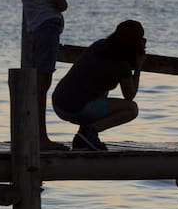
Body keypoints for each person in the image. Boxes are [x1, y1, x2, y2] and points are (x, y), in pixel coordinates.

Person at [51, 20, 147, 151]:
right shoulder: (121, 64)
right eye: (142, 39)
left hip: (58, 104)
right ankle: (90, 132)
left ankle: (83, 137)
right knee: (131, 109)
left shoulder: (99, 45)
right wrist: (138, 67)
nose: (143, 42)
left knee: (99, 95)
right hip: (76, 108)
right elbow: (130, 95)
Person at [20, 0, 70, 151]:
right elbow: (62, 3)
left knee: (36, 84)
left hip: (35, 28)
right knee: (43, 84)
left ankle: (33, 133)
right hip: (47, 27)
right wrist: (57, 6)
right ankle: (41, 137)